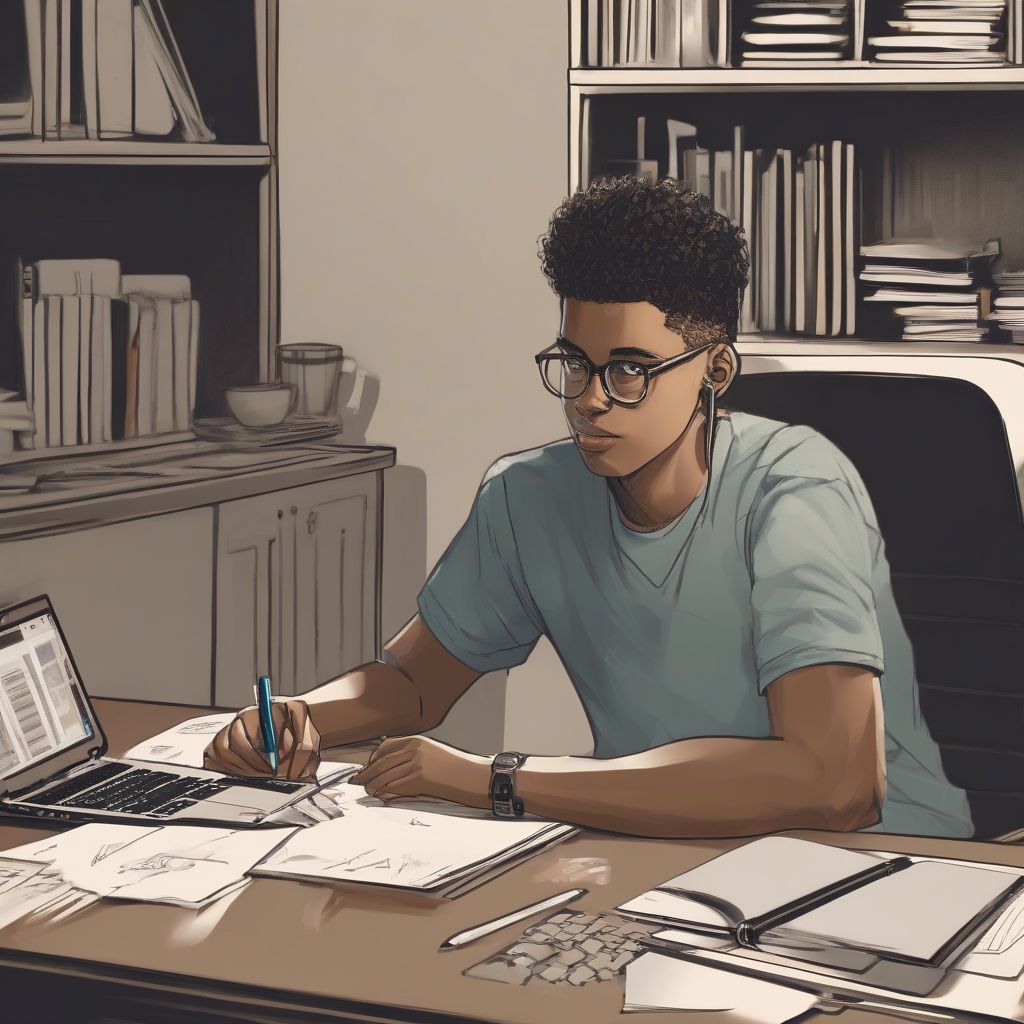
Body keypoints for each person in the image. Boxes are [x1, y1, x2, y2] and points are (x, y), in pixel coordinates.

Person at [204, 175, 973, 839]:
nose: (591, 401)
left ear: (716, 369)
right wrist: (301, 715)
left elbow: (833, 782)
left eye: (631, 369)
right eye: (575, 364)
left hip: (883, 869)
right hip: (662, 849)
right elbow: (410, 685)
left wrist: (498, 779)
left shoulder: (795, 489)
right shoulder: (528, 496)